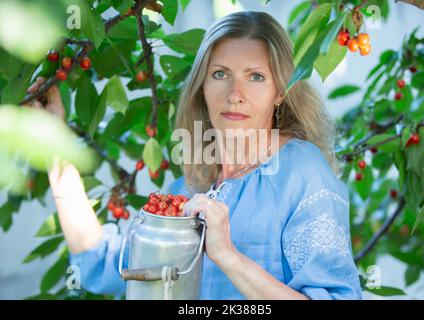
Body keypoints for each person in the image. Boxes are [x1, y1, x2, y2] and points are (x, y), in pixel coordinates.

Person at [27, 11, 362, 300]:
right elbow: (104, 262)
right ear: (202, 85)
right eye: (220, 74)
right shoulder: (189, 188)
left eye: (256, 77)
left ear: (280, 92)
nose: (235, 95)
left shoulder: (300, 172)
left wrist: (227, 256)